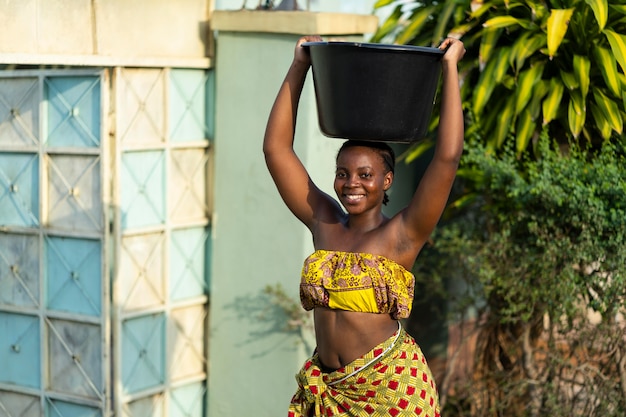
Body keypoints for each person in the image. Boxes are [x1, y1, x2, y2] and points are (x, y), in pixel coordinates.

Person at [263, 35, 466, 417]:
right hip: (331, 389)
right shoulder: (324, 222)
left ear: (387, 180)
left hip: (388, 390)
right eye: (343, 173)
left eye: (365, 174)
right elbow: (276, 150)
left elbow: (447, 157)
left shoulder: (402, 234)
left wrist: (449, 67)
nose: (351, 182)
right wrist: (300, 66)